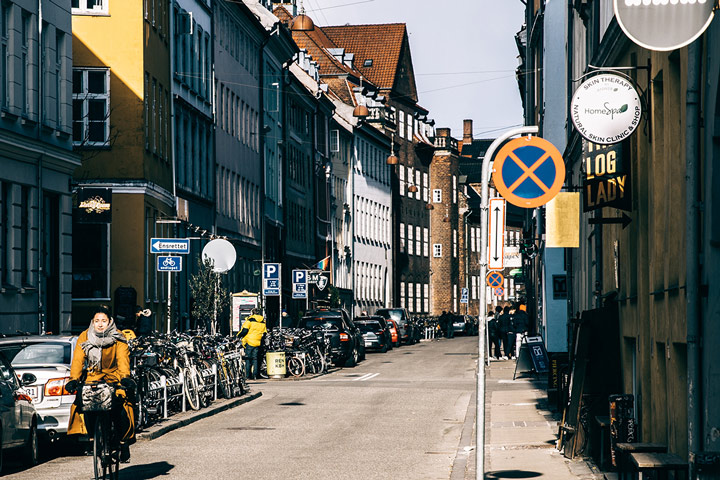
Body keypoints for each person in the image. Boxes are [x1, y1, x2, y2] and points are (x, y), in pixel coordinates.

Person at [65, 306, 136, 462]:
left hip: (114, 377)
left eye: (104, 321)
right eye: (97, 321)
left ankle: (123, 442)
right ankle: (92, 439)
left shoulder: (119, 337)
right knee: (84, 404)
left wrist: (124, 377)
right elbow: (77, 360)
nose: (100, 324)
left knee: (122, 404)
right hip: (92, 377)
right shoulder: (85, 336)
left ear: (110, 322)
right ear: (92, 322)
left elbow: (123, 359)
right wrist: (73, 379)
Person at [238, 308, 267, 380]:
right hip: (257, 342)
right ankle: (255, 375)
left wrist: (238, 336)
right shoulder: (262, 322)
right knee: (255, 359)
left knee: (248, 359)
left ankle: (248, 375)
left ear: (252, 313)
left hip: (249, 341)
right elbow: (265, 332)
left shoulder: (249, 321)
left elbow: (244, 330)